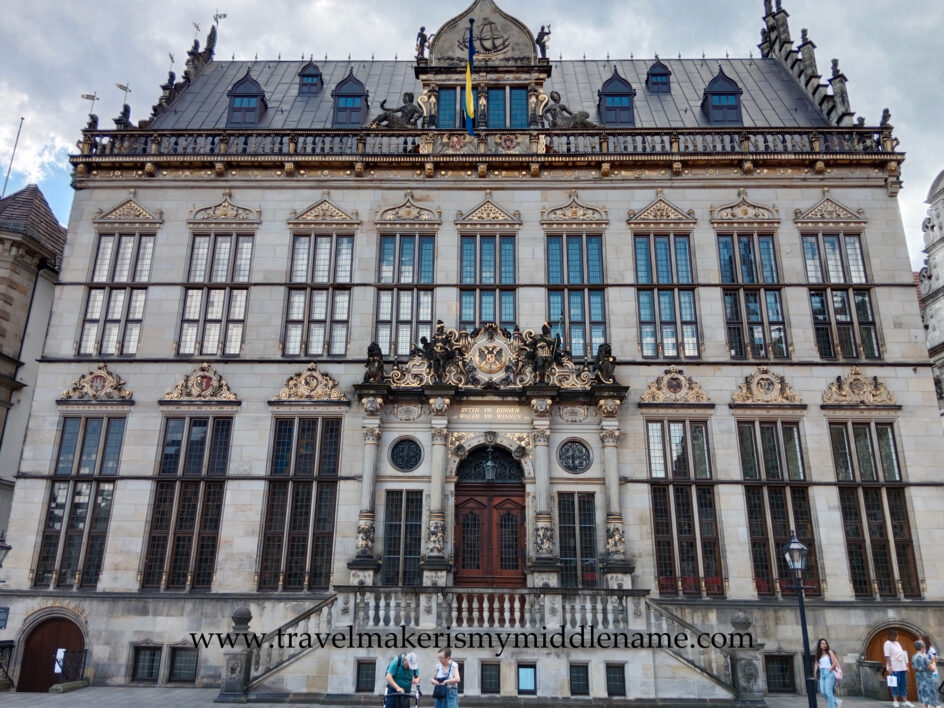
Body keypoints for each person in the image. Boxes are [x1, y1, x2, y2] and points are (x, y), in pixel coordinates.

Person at [884, 630, 914, 708]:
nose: (898, 637)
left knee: (903, 683)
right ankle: (895, 701)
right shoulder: (887, 644)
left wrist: (906, 666)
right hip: (894, 667)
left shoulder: (897, 643)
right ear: (893, 636)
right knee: (895, 684)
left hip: (902, 666)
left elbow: (902, 653)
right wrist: (889, 666)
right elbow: (887, 656)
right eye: (897, 635)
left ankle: (905, 700)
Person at [812, 638, 842, 708]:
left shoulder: (829, 652)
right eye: (822, 643)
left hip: (829, 673)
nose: (824, 645)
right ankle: (837, 701)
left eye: (825, 643)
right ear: (819, 645)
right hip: (822, 674)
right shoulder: (818, 654)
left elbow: (834, 663)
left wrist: (830, 669)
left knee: (829, 693)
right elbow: (816, 663)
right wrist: (815, 672)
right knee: (823, 692)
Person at [913, 640, 939, 708]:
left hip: (919, 679)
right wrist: (933, 662)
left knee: (924, 698)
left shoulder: (914, 657)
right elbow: (932, 669)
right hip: (927, 679)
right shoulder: (924, 657)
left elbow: (915, 667)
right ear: (922, 647)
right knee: (932, 698)